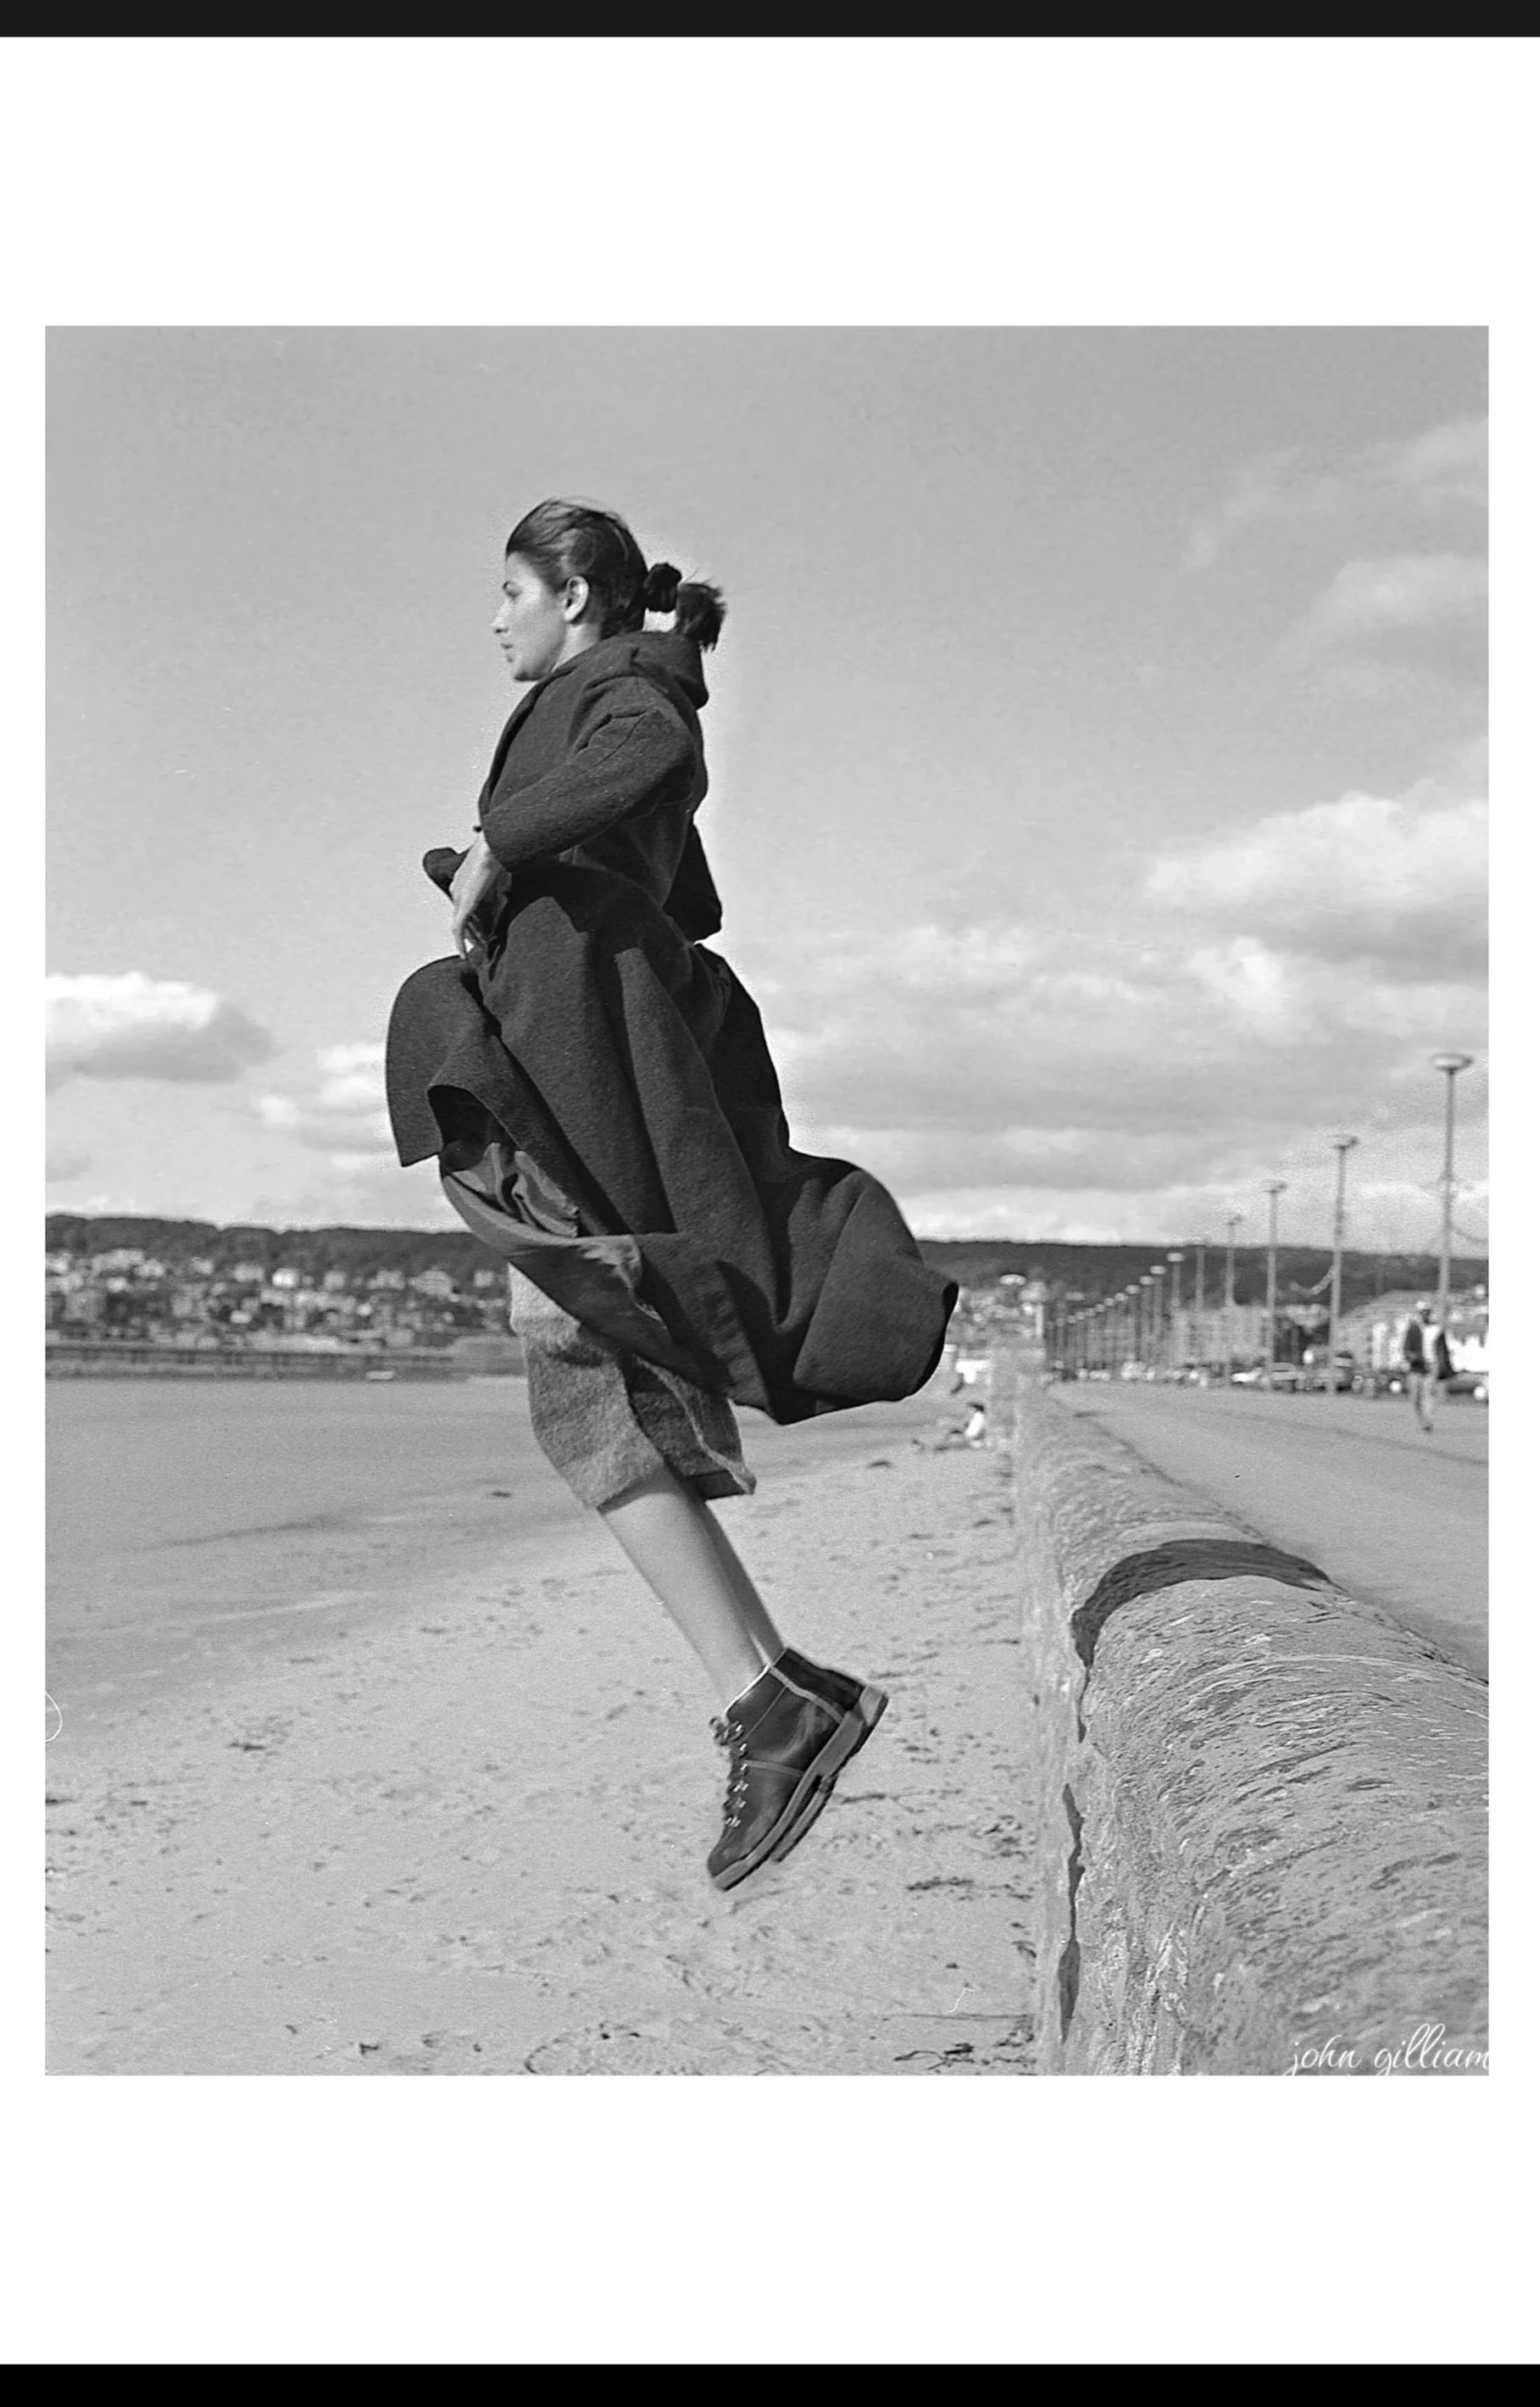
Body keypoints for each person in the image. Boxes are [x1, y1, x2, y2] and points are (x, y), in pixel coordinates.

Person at [383, 500, 958, 1892]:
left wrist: (503, 845)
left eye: (511, 591)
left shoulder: (625, 687)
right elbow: (674, 870)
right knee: (575, 1373)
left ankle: (771, 1699)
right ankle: (774, 1692)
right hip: (566, 1068)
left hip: (582, 1078)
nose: (495, 619)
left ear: (574, 596)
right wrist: (511, 873)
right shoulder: (619, 679)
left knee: (577, 1382)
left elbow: (653, 751)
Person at [1400, 1300, 1454, 1432]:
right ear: (1419, 1313)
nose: (1425, 1314)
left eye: (1427, 1312)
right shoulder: (1413, 1328)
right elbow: (1406, 1348)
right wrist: (1412, 1357)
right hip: (1416, 1366)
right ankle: (1422, 1418)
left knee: (1428, 1393)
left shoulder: (1436, 1329)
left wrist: (1446, 1366)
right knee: (1415, 1398)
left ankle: (1428, 1421)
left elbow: (1443, 1349)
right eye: (1422, 1312)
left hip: (1431, 1365)